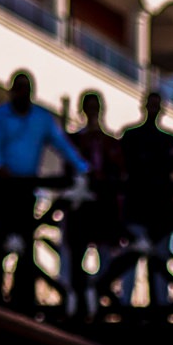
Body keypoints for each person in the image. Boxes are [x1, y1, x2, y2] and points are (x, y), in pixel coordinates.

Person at [0, 69, 83, 306]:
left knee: (26, 243)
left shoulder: (42, 119)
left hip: (25, 190)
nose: (22, 94)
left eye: (25, 90)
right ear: (12, 92)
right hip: (0, 190)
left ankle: (23, 298)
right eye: (18, 89)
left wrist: (83, 168)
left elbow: (62, 145)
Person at [114, 88, 173, 309]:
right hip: (137, 208)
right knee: (132, 260)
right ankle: (125, 304)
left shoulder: (167, 139)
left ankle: (161, 305)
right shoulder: (133, 136)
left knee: (160, 260)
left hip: (159, 212)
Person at [59, 89, 124, 319]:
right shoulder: (76, 140)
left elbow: (118, 171)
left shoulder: (110, 142)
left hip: (103, 206)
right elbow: (68, 166)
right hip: (80, 206)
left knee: (105, 254)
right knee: (76, 253)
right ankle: (78, 297)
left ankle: (99, 295)